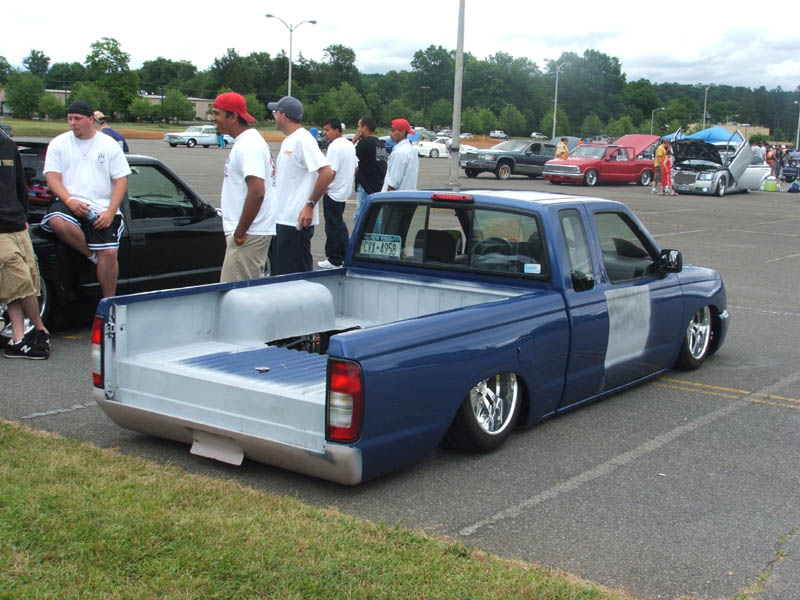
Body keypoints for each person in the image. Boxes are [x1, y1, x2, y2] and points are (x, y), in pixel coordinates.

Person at [41, 101, 131, 299]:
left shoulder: (108, 144)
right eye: (70, 119)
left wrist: (110, 213)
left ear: (91, 119)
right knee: (56, 220)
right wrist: (69, 200)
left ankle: (107, 303)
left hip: (101, 207)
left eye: (77, 119)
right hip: (69, 203)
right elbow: (52, 179)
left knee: (109, 253)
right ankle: (92, 256)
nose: (73, 123)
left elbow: (121, 182)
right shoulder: (59, 143)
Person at [211, 92, 275, 282]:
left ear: (233, 116)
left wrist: (239, 233)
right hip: (250, 233)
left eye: (217, 113)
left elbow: (257, 192)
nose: (213, 118)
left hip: (248, 235)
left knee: (236, 294)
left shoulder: (248, 145)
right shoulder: (247, 142)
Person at [268, 96, 333, 275]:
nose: (274, 116)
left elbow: (326, 172)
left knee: (294, 277)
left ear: (283, 115)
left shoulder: (303, 140)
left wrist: (309, 205)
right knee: (280, 275)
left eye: (275, 112)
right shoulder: (289, 140)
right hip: (283, 218)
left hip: (295, 221)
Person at [1, 130, 50, 359]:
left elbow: (21, 183)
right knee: (20, 282)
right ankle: (40, 330)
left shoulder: (7, 145)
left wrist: (24, 215)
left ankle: (18, 340)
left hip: (17, 224)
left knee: (23, 282)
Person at [317, 118, 357, 269]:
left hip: (333, 191)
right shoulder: (349, 145)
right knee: (338, 224)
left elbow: (330, 171)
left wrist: (324, 186)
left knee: (332, 226)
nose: (325, 133)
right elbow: (356, 167)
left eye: (328, 130)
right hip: (344, 190)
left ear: (337, 130)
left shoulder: (334, 146)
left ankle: (334, 258)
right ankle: (345, 254)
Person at [351, 115, 387, 226]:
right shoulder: (380, 144)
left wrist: (353, 141)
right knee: (375, 216)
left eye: (359, 127)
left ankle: (360, 237)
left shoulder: (364, 143)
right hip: (378, 185)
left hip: (365, 186)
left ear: (365, 128)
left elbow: (350, 158)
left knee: (360, 217)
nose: (358, 130)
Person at [380, 118, 419, 192]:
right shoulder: (411, 149)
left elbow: (393, 183)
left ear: (402, 132)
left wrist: (385, 196)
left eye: (393, 130)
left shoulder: (399, 152)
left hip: (396, 196)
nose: (390, 133)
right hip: (408, 194)